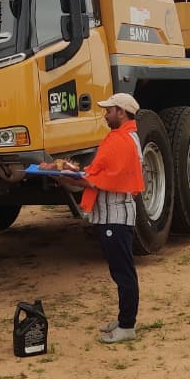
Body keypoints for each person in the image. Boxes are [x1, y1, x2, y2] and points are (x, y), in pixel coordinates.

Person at [47, 92, 144, 344]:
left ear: (121, 112)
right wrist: (68, 174)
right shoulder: (122, 138)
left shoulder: (122, 141)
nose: (105, 114)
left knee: (123, 272)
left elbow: (98, 180)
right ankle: (125, 319)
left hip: (116, 216)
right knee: (121, 270)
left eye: (109, 110)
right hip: (113, 215)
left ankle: (127, 325)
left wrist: (65, 176)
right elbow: (98, 173)